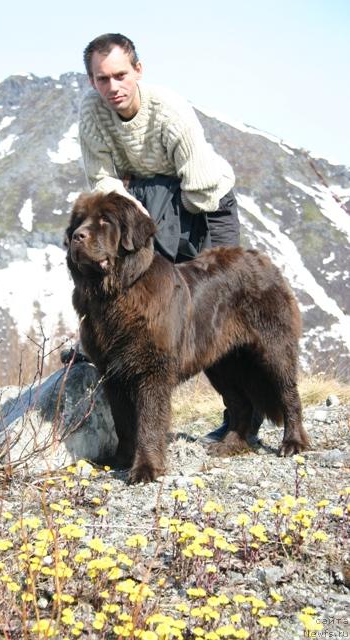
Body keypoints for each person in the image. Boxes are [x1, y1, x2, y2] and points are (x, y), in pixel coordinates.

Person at [74, 32, 261, 440]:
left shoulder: (170, 112)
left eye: (121, 75)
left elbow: (199, 187)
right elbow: (102, 181)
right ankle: (141, 428)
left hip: (205, 204)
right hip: (148, 205)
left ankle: (242, 421)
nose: (113, 87)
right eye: (102, 79)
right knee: (150, 308)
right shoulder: (91, 113)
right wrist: (134, 197)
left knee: (215, 315)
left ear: (138, 70)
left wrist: (149, 190)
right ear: (91, 81)